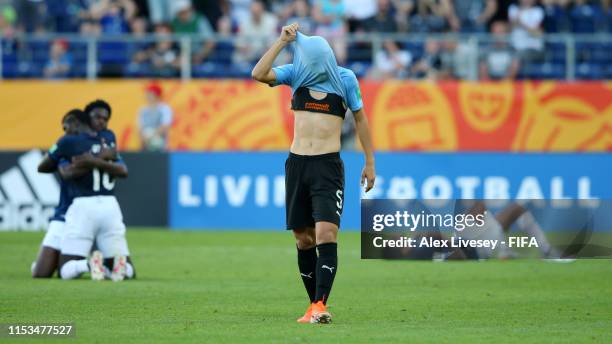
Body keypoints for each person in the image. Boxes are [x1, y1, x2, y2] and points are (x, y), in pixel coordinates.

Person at [252, 23, 376, 324]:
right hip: (297, 164)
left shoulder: (345, 80)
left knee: (325, 233)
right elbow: (259, 73)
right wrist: (282, 41)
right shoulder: (295, 74)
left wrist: (370, 162)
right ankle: (313, 306)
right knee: (303, 239)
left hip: (326, 166)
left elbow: (361, 120)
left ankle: (321, 304)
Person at [50, 109, 135, 281]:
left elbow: (57, 169)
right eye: (99, 117)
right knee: (127, 266)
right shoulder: (109, 141)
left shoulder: (70, 142)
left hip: (83, 205)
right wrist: (99, 158)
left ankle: (89, 264)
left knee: (65, 269)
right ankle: (119, 268)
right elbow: (123, 170)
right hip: (110, 205)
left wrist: (88, 160)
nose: (102, 122)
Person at [32, 110, 81, 278]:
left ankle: (93, 263)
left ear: (76, 125)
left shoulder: (91, 145)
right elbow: (42, 167)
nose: (65, 131)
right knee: (39, 273)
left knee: (65, 272)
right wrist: (58, 150)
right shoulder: (63, 148)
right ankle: (90, 263)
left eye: (66, 126)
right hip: (62, 214)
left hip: (84, 217)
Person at [138, 83, 173, 151]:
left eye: (150, 94)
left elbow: (165, 126)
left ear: (157, 95)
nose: (147, 96)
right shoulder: (143, 110)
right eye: (147, 93)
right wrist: (143, 138)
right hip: (145, 146)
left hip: (161, 147)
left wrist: (151, 135)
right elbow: (140, 128)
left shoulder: (164, 109)